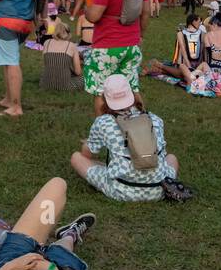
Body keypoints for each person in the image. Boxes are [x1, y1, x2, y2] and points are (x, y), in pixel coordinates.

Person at [69, 74, 178, 202]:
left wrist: (88, 143)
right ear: (131, 93)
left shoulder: (103, 122)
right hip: (160, 189)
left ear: (105, 97)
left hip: (121, 190)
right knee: (172, 158)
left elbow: (87, 154)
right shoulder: (154, 119)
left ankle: (114, 173)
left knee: (76, 157)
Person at [82, 0, 148, 115]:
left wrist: (86, 8)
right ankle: (140, 125)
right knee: (132, 87)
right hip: (132, 45)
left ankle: (102, 131)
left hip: (107, 46)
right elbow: (145, 14)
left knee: (100, 92)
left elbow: (94, 16)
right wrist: (140, 35)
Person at [40, 21, 83, 91]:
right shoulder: (71, 45)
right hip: (65, 85)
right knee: (84, 78)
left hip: (45, 84)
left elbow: (45, 64)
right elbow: (78, 72)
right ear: (68, 33)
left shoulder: (47, 42)